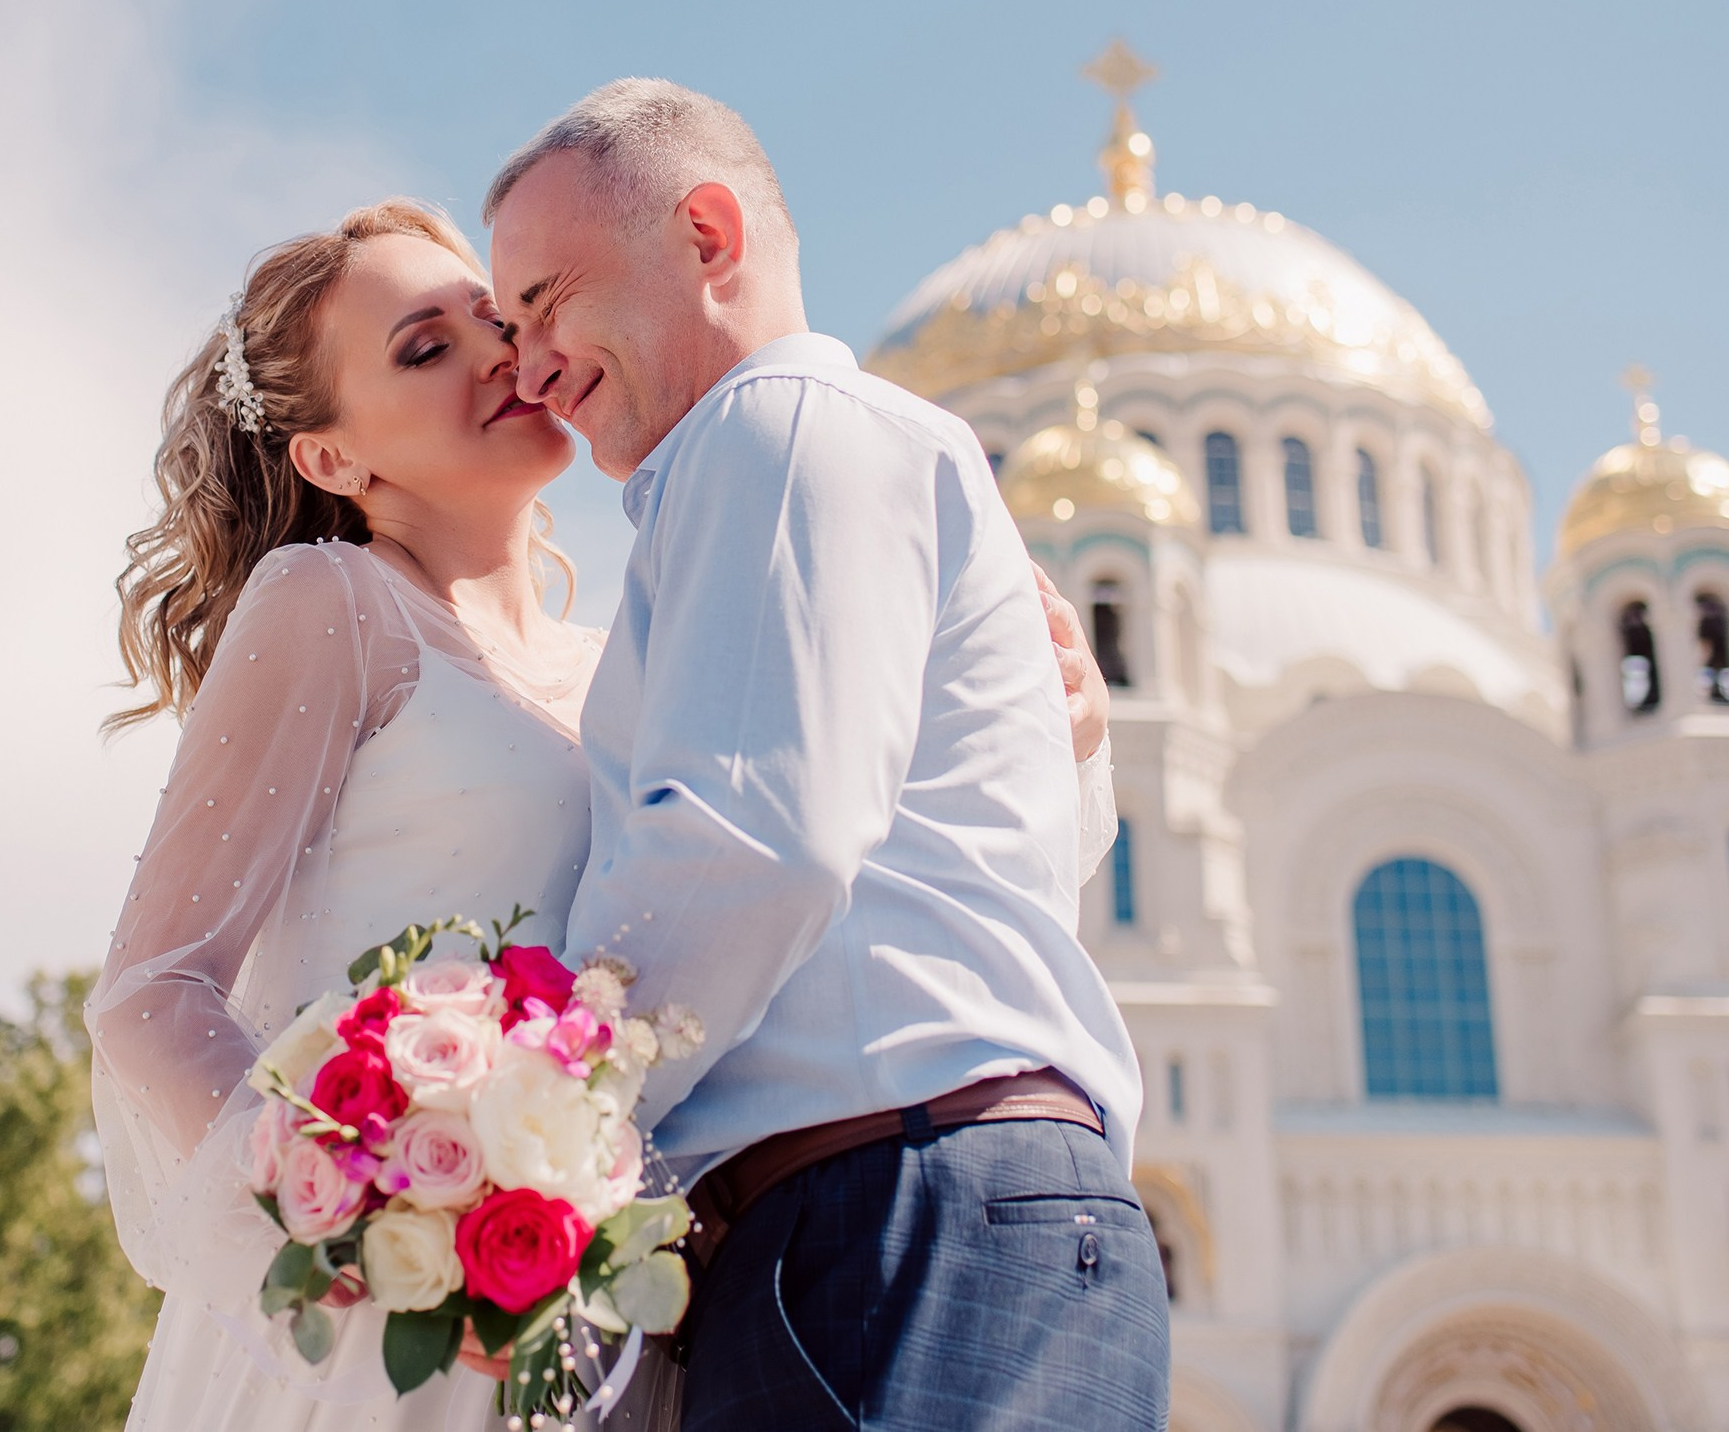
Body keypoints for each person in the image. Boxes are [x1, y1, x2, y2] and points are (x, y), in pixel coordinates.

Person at [88, 197, 1113, 1431]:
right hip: (377, 1323)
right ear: (332, 458)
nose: (494, 355)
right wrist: (341, 1217)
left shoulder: (635, 648)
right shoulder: (330, 602)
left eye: (495, 316)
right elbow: (150, 989)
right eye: (423, 349)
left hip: (616, 1320)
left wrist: (1062, 737)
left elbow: (811, 890)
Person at [485, 78, 1165, 1432]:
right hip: (961, 1211)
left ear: (709, 234)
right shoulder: (855, 458)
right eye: (507, 331)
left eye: (546, 300)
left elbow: (755, 840)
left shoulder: (769, 430)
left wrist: (522, 1128)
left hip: (891, 1219)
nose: (526, 365)